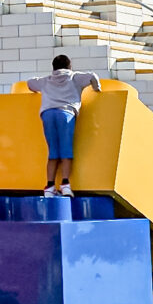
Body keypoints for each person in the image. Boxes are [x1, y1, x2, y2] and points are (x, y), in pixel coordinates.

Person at [26, 55, 101, 198]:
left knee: (53, 151)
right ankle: (65, 184)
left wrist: (40, 90)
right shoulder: (74, 78)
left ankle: (49, 186)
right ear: (69, 66)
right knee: (66, 149)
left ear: (53, 68)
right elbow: (92, 76)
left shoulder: (47, 80)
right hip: (65, 113)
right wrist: (97, 89)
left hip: (47, 114)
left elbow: (29, 83)